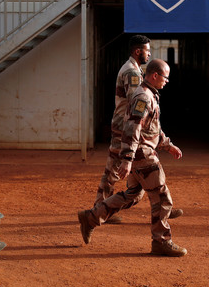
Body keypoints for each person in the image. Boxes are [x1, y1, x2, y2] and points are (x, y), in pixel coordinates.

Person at [78, 59, 187, 257]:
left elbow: (151, 128)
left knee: (133, 195)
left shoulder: (149, 94)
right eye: (165, 77)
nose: (167, 81)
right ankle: (161, 241)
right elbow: (132, 128)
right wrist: (127, 159)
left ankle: (92, 217)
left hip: (140, 153)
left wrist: (167, 145)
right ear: (155, 76)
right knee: (162, 198)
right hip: (142, 155)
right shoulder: (143, 97)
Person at [93, 35, 182, 223]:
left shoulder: (133, 69)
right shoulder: (133, 73)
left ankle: (161, 205)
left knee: (135, 173)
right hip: (126, 129)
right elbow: (137, 107)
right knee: (118, 169)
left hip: (126, 127)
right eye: (147, 51)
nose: (149, 54)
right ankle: (100, 209)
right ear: (137, 51)